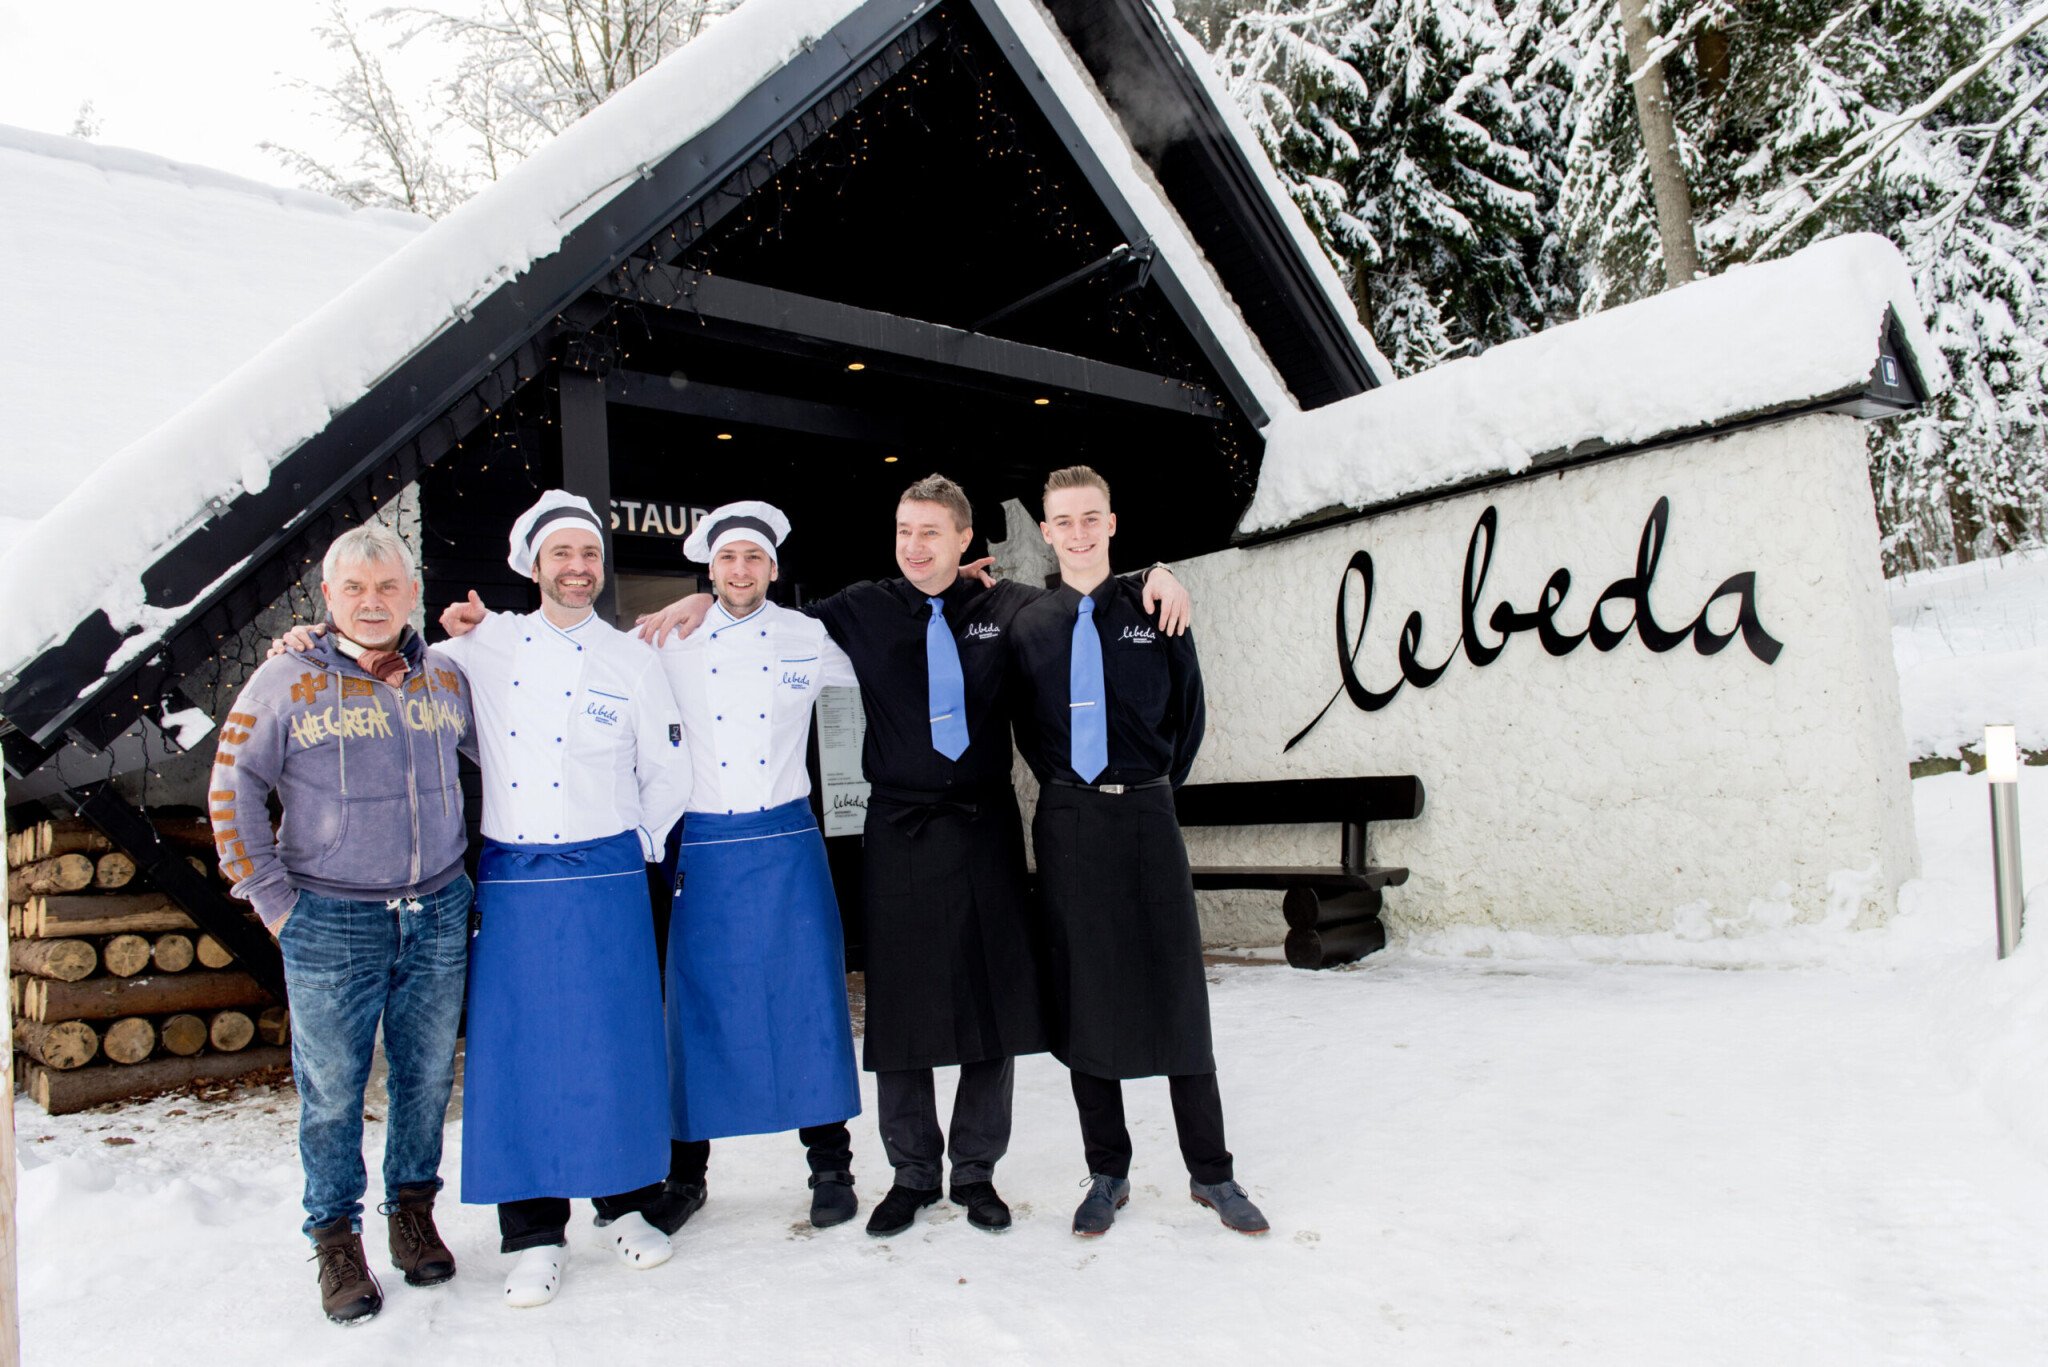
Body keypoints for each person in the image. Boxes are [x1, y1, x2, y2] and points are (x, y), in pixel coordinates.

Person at [638, 476, 1190, 1237]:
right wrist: (701, 601)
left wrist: (1147, 574)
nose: (914, 546)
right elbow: (762, 621)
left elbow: (1082, 587)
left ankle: (974, 1171)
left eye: (931, 532)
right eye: (904, 530)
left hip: (985, 822)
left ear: (965, 540)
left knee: (992, 1004)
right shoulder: (858, 608)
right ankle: (911, 1171)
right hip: (896, 827)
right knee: (902, 1006)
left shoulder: (1008, 606)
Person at [433, 490, 693, 1308]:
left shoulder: (632, 658)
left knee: (616, 1042)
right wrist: (309, 638)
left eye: (589, 554)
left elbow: (669, 768)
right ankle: (533, 1231)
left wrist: (638, 846)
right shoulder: (485, 645)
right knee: (521, 1054)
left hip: (611, 872)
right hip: (516, 876)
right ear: (533, 565)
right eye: (562, 555)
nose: (578, 569)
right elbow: (394, 662)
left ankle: (623, 1207)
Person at [211, 523, 474, 1324]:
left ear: (411, 594)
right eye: (353, 589)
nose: (371, 603)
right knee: (331, 1093)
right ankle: (335, 1238)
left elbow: (486, 769)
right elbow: (231, 793)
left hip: (435, 909)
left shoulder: (447, 679)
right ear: (326, 598)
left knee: (427, 1076)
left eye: (387, 587)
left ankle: (412, 1212)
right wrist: (276, 902)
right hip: (331, 919)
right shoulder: (283, 680)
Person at [1006, 465, 1267, 1238]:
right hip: (1069, 823)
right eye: (1064, 521)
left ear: (1112, 523)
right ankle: (1107, 1170)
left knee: (1177, 991)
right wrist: (1078, 792)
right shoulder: (1031, 623)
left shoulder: (1154, 605)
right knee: (1087, 990)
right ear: (1047, 532)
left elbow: (1188, 714)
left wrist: (1144, 785)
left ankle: (1212, 1171)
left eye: (1092, 517)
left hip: (1147, 814)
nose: (1079, 532)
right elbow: (1027, 730)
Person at [653, 502, 866, 1228]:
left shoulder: (809, 635)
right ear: (709, 568)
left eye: (754, 558)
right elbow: (594, 665)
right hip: (707, 843)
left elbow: (882, 670)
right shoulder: (671, 636)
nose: (740, 570)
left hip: (789, 840)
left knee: (810, 998)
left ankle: (831, 1163)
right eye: (727, 558)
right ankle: (685, 1173)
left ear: (774, 567)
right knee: (698, 1007)